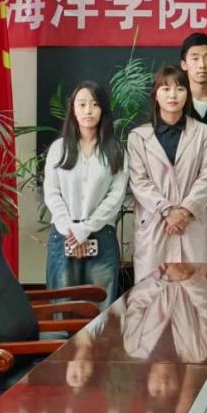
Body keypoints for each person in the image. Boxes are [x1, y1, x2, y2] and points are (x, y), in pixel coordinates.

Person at [42, 81, 128, 309]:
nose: (88, 110)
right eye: (82, 104)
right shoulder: (59, 148)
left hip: (101, 236)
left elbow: (115, 196)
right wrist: (72, 230)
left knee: (101, 310)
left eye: (95, 104)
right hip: (64, 236)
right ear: (73, 109)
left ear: (103, 110)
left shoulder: (116, 150)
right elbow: (52, 193)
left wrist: (85, 228)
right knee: (62, 308)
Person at [127, 66, 207, 280]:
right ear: (155, 95)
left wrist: (184, 211)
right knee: (151, 293)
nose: (173, 95)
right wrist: (167, 211)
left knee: (194, 292)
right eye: (165, 89)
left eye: (180, 89)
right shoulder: (138, 137)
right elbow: (139, 182)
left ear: (188, 94)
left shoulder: (202, 133)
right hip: (155, 225)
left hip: (191, 225)